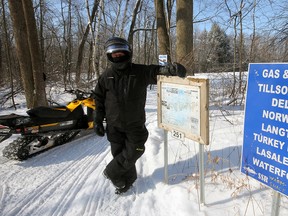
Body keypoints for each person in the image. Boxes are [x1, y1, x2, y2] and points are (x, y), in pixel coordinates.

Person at [93, 36, 186, 194]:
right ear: (109, 56)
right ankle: (125, 183)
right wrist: (97, 120)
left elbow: (155, 71)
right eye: (114, 54)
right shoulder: (106, 76)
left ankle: (111, 172)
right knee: (120, 155)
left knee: (135, 150)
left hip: (135, 124)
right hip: (113, 125)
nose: (118, 56)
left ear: (127, 53)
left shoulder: (139, 71)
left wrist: (171, 69)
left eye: (120, 53)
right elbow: (98, 98)